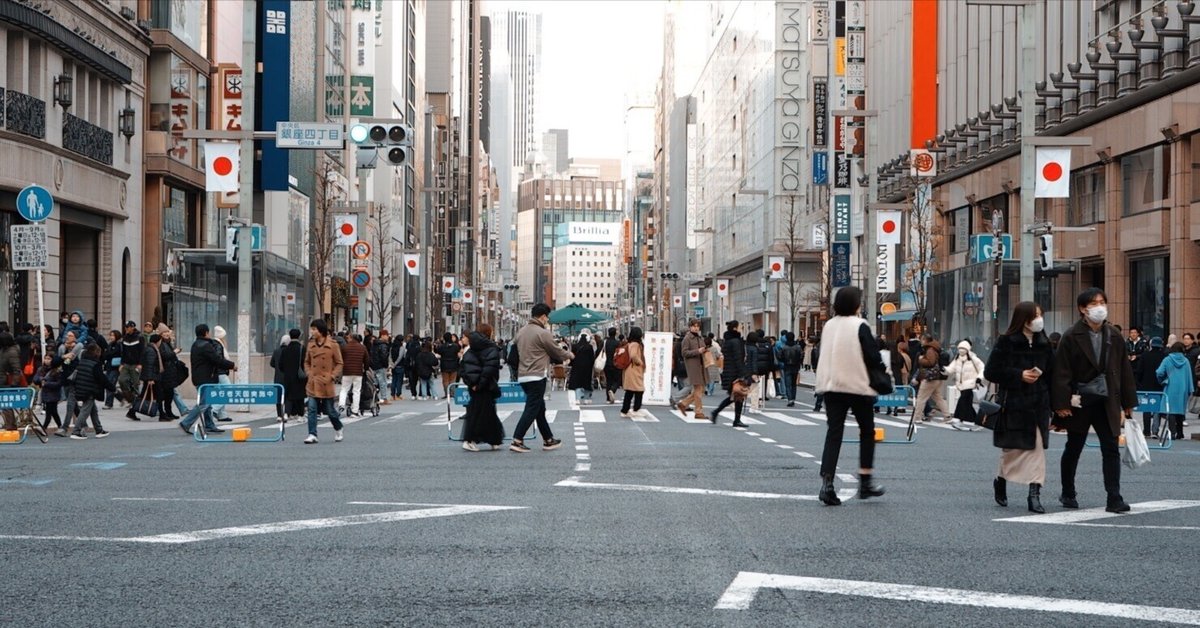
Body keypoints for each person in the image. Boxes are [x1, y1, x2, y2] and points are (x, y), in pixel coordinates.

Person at [1050, 288, 1136, 513]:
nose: (1100, 307)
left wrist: (1128, 402)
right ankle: (1068, 492)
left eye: (1102, 302)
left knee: (1111, 448)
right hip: (1080, 400)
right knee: (1074, 447)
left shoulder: (1114, 335)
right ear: (1082, 308)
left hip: (1107, 400)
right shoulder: (1071, 336)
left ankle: (1114, 497)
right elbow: (1061, 373)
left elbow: (1124, 370)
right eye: (1094, 303)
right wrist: (1061, 404)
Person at [814, 286, 887, 505]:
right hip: (856, 385)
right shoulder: (859, 325)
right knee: (867, 431)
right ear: (856, 304)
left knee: (834, 433)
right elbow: (872, 356)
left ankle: (827, 483)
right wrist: (883, 372)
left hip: (831, 385)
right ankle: (865, 480)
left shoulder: (828, 325)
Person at [983, 302, 1055, 513]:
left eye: (1040, 315)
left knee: (1037, 449)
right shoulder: (1006, 341)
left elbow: (1053, 374)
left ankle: (1034, 495)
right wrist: (1018, 375)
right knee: (1012, 451)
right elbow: (991, 371)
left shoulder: (1045, 343)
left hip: (1039, 405)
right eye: (1035, 316)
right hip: (1014, 405)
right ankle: (1001, 480)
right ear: (1023, 319)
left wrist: (1056, 406)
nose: (1039, 320)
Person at [511, 304, 571, 451]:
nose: (547, 320)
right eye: (547, 317)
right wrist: (570, 355)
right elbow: (555, 350)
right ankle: (517, 439)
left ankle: (548, 439)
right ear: (543, 316)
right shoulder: (543, 333)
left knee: (539, 408)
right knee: (532, 408)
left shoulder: (521, 332)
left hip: (523, 375)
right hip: (537, 376)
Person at [179, 324, 235, 437]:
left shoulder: (196, 344)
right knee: (204, 403)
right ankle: (186, 423)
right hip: (206, 378)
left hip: (200, 377)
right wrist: (232, 365)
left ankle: (209, 425)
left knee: (208, 403)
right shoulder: (206, 346)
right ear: (206, 333)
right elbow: (217, 360)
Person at [459, 323, 505, 451]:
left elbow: (463, 368)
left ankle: (493, 439)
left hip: (475, 386)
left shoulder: (471, 348)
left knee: (483, 412)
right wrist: (479, 384)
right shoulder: (491, 348)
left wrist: (472, 384)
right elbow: (490, 369)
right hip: (486, 385)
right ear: (489, 333)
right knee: (481, 413)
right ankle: (470, 440)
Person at [302, 319, 344, 444]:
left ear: (321, 331)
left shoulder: (333, 345)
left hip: (326, 382)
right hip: (313, 382)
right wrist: (309, 373)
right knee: (312, 409)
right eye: (312, 329)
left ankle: (338, 427)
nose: (312, 332)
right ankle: (312, 434)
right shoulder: (310, 345)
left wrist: (332, 376)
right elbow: (306, 362)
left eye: (314, 329)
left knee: (330, 411)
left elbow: (339, 363)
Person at [63, 343, 113, 440]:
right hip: (89, 389)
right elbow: (102, 379)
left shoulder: (82, 361)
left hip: (80, 387)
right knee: (84, 411)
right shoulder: (95, 364)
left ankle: (99, 429)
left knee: (93, 410)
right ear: (96, 352)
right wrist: (112, 388)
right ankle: (76, 431)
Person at [710, 321, 749, 428]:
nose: (741, 328)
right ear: (735, 328)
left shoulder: (728, 341)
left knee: (734, 397)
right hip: (734, 372)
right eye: (740, 326)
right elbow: (738, 358)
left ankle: (719, 413)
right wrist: (742, 374)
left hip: (728, 371)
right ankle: (734, 419)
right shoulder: (736, 341)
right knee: (738, 396)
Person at [946, 340, 986, 430]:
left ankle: (959, 420)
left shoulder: (973, 358)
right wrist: (945, 370)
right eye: (960, 348)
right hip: (961, 384)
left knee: (962, 401)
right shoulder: (958, 358)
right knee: (967, 404)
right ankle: (976, 422)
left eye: (963, 349)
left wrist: (979, 378)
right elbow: (952, 368)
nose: (961, 350)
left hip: (970, 383)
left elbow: (982, 368)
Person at [1155, 342, 1192, 441]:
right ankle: (1180, 433)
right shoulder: (1186, 361)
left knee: (1171, 410)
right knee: (1180, 410)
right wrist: (1190, 389)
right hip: (1183, 387)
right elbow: (1189, 375)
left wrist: (1162, 381)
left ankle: (1172, 432)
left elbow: (1159, 372)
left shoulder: (1167, 359)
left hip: (1170, 386)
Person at [912, 334, 950, 423]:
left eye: (921, 339)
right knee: (938, 397)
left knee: (921, 397)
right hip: (936, 377)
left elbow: (931, 362)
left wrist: (921, 359)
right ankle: (947, 416)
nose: (920, 341)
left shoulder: (930, 350)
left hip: (929, 378)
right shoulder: (934, 348)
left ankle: (917, 417)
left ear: (925, 340)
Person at [676, 319, 709, 419]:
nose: (696, 328)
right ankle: (698, 412)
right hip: (693, 367)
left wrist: (705, 349)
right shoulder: (687, 338)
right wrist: (698, 351)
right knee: (698, 389)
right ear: (690, 327)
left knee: (701, 389)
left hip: (701, 366)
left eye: (698, 326)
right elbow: (684, 353)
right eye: (694, 326)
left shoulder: (700, 338)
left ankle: (683, 403)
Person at [1134, 337, 1166, 434]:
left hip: (1146, 385)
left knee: (1146, 408)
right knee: (1157, 408)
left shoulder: (1145, 355)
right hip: (1159, 385)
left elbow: (1139, 370)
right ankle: (1155, 430)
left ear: (1151, 345)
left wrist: (1138, 383)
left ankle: (1146, 430)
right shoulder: (1164, 356)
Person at [338, 333, 370, 415]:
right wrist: (365, 369)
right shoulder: (362, 347)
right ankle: (355, 410)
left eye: (348, 338)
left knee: (344, 389)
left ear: (351, 338)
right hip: (358, 372)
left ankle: (341, 404)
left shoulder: (345, 347)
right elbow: (367, 360)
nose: (347, 339)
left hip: (347, 372)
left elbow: (340, 359)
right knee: (356, 391)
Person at [619, 326, 647, 419]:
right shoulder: (635, 344)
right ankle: (636, 409)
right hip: (634, 369)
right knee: (639, 390)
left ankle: (625, 410)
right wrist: (640, 362)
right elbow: (633, 355)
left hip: (630, 370)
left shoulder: (630, 343)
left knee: (630, 391)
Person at [278, 329, 307, 421]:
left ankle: (288, 413)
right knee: (300, 396)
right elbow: (306, 363)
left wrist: (286, 371)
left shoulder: (285, 349)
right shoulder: (302, 348)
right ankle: (300, 415)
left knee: (289, 395)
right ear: (299, 336)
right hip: (299, 376)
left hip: (287, 376)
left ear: (290, 336)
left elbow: (280, 365)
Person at [209, 326, 235, 421]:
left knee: (221, 393)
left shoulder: (214, 344)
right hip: (220, 372)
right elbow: (219, 360)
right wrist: (231, 365)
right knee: (228, 391)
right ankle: (214, 409)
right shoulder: (218, 345)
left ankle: (222, 415)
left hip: (218, 372)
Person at [34, 355, 64, 433]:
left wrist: (46, 383)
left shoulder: (57, 371)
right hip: (45, 394)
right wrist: (41, 379)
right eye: (45, 358)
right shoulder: (41, 369)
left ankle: (44, 428)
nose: (47, 360)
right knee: (54, 412)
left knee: (49, 412)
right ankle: (60, 426)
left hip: (53, 394)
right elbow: (35, 379)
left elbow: (58, 384)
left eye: (49, 359)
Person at [568, 333, 596, 405]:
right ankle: (586, 399)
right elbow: (592, 358)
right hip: (587, 367)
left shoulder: (574, 346)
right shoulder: (589, 347)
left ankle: (578, 398)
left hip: (576, 367)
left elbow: (572, 357)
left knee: (577, 382)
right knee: (586, 382)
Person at [779, 332, 804, 407]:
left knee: (788, 384)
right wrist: (799, 362)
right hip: (795, 366)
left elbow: (780, 357)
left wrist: (784, 360)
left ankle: (790, 399)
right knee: (793, 384)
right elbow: (801, 355)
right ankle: (793, 398)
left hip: (787, 366)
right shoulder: (798, 347)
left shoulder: (784, 347)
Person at [270, 333, 291, 421]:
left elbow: (272, 363)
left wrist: (277, 367)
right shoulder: (290, 351)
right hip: (288, 377)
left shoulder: (276, 351)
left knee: (278, 397)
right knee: (288, 396)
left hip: (278, 378)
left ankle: (279, 415)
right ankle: (286, 413)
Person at [888, 339, 911, 416]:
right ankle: (896, 408)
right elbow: (901, 365)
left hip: (889, 374)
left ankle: (889, 408)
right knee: (897, 392)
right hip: (898, 375)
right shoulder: (900, 356)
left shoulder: (888, 356)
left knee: (888, 391)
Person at [370, 330, 392, 405]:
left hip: (374, 366)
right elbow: (384, 356)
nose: (388, 337)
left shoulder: (374, 344)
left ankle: (374, 398)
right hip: (381, 366)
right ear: (382, 335)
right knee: (383, 382)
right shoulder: (383, 345)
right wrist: (386, 365)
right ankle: (383, 398)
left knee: (375, 383)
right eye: (387, 335)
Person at [437, 333, 461, 399]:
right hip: (454, 365)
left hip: (444, 365)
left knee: (445, 380)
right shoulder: (456, 346)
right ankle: (452, 393)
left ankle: (447, 394)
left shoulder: (442, 346)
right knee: (453, 380)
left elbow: (438, 352)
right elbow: (458, 351)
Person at [101, 330, 121, 409]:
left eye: (113, 335)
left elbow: (111, 353)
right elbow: (105, 355)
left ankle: (109, 403)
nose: (111, 337)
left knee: (110, 384)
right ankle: (121, 398)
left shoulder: (119, 345)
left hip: (115, 367)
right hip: (109, 366)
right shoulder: (110, 344)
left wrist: (108, 354)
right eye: (111, 335)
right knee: (108, 384)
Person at [603, 327, 622, 404]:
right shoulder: (617, 343)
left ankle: (608, 399)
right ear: (615, 333)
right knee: (617, 380)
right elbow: (620, 354)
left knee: (609, 381)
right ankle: (612, 390)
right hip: (615, 364)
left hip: (606, 364)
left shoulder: (605, 342)